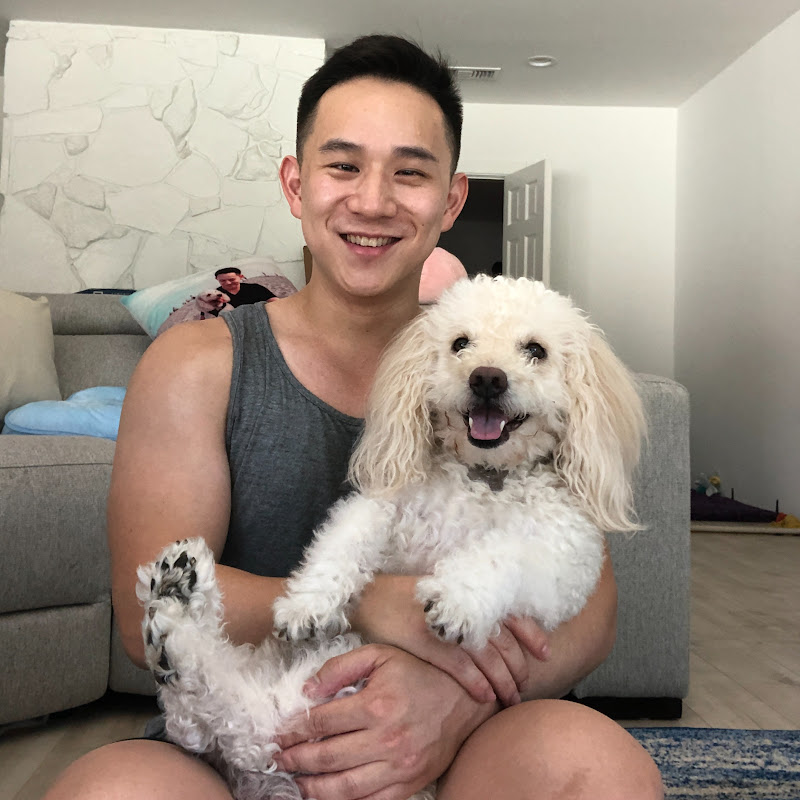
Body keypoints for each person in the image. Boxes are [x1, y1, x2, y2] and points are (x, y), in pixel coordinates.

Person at [43, 34, 663, 800]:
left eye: (410, 172)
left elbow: (591, 612)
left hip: (468, 743)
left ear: (451, 200)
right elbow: (149, 618)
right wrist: (371, 603)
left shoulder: (511, 378)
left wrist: (452, 701)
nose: (372, 201)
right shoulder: (196, 366)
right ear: (296, 184)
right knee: (110, 790)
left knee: (598, 768)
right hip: (246, 732)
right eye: (343, 166)